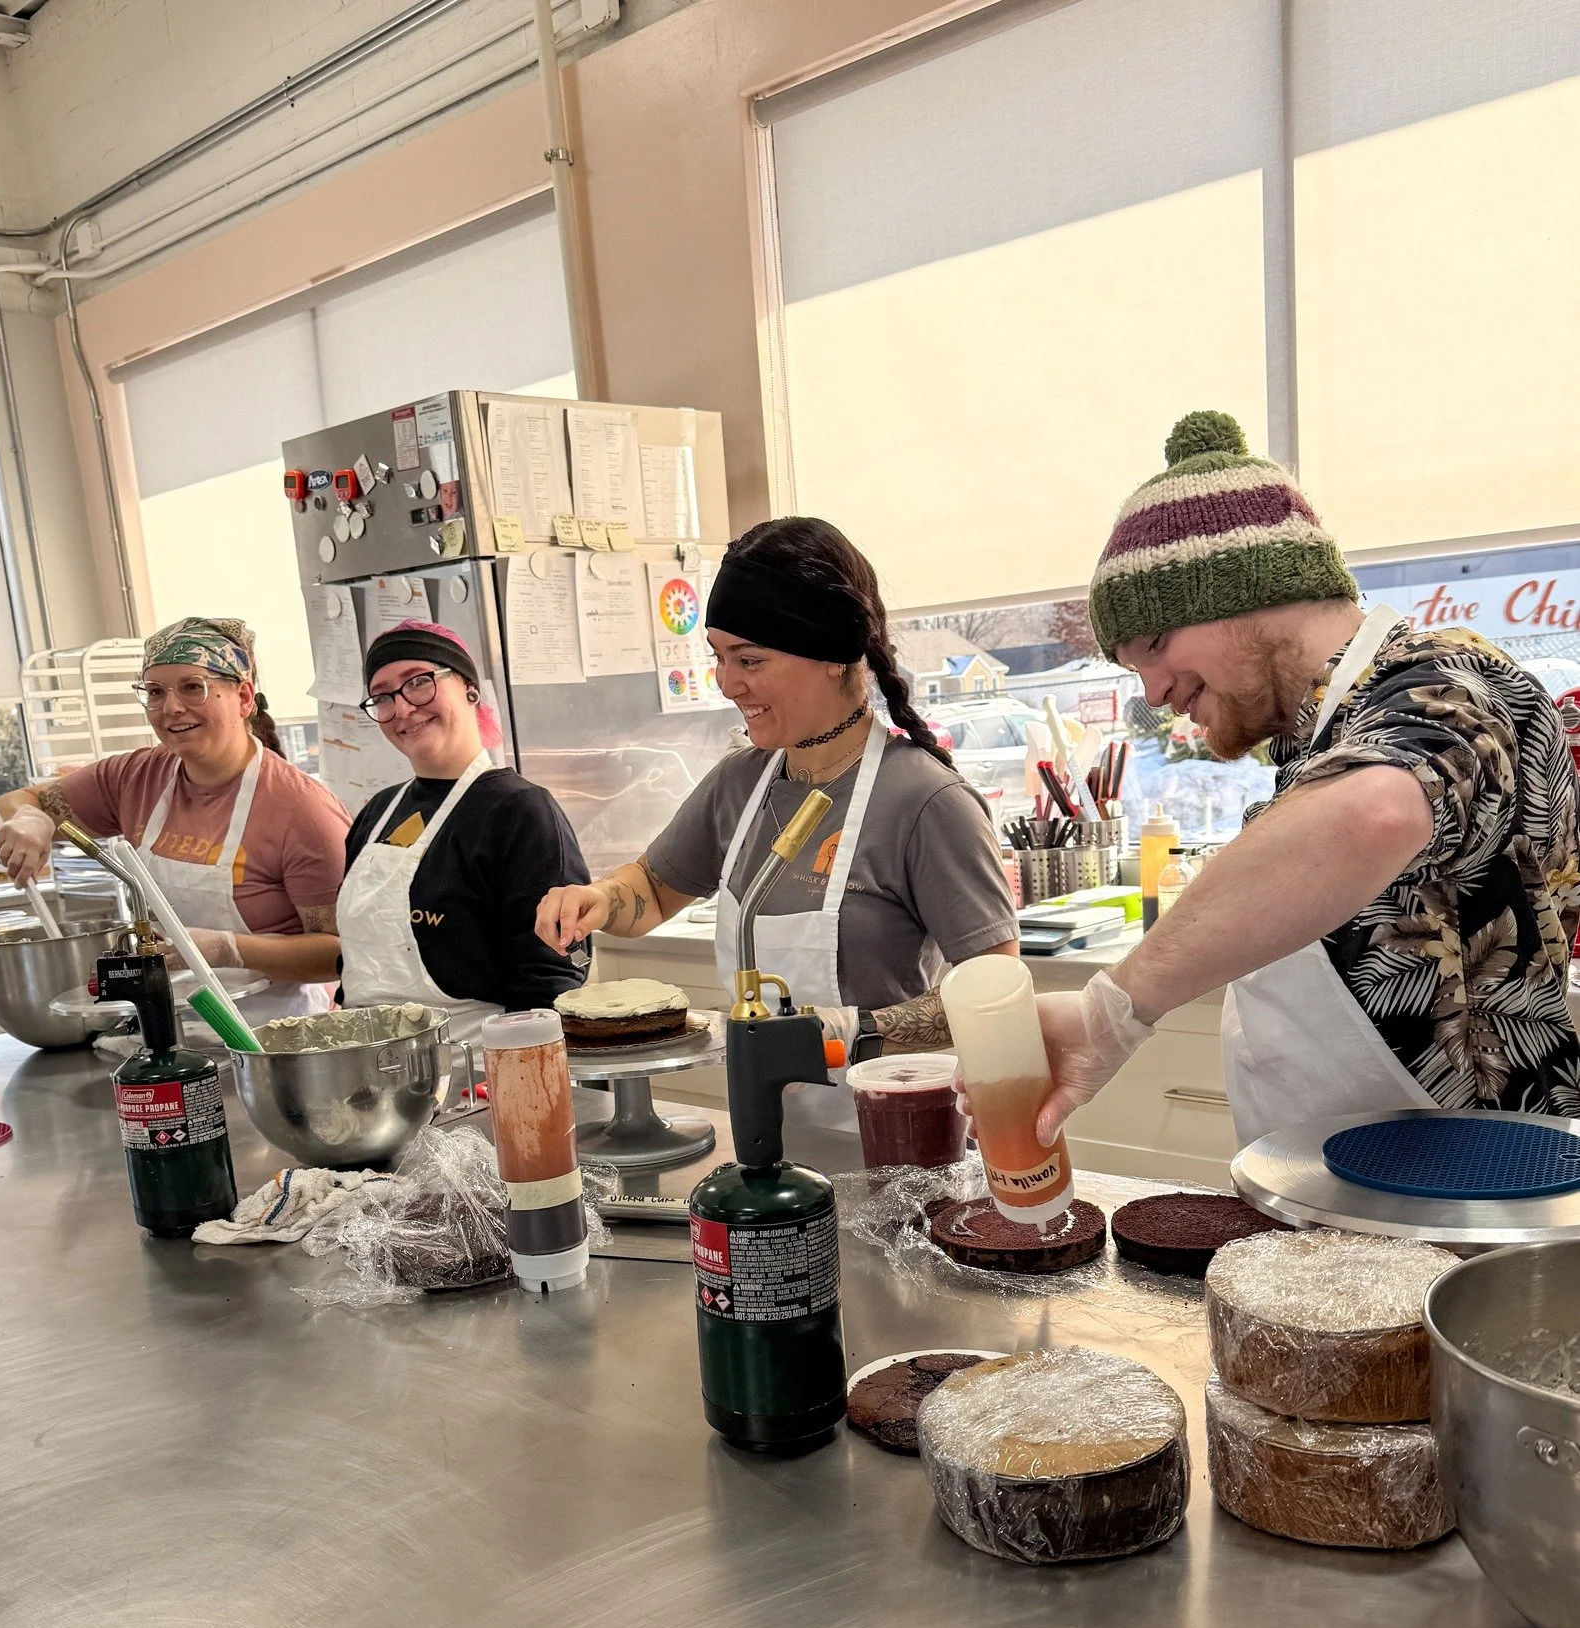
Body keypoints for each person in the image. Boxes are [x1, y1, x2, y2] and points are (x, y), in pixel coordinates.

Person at [1026, 409, 1580, 1151]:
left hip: (1474, 1193)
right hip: (1356, 1194)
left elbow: (1378, 809)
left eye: (1155, 646)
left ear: (1247, 594)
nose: (1153, 692)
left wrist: (1111, 1013)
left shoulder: (1450, 683)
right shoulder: (1326, 737)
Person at [534, 516, 1019, 1132]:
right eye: (719, 657)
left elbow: (997, 997)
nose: (727, 683)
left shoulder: (926, 802)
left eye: (750, 659)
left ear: (833, 656)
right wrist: (596, 899)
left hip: (897, 1143)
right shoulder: (741, 784)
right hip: (767, 1138)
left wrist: (852, 1031)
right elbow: (653, 891)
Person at [0, 616, 348, 1021]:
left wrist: (227, 948)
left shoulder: (303, 810)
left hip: (276, 1032)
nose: (172, 708)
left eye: (193, 688)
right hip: (169, 1021)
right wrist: (30, 818)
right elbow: (18, 800)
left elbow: (340, 952)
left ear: (245, 697)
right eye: (155, 692)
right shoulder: (136, 778)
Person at [338, 619, 589, 1038]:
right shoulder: (378, 812)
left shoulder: (519, 810)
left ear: (469, 689)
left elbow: (549, 977)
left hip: (477, 1067)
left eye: (419, 682)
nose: (401, 708)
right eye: (381, 697)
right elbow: (355, 960)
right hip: (369, 1067)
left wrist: (516, 1076)